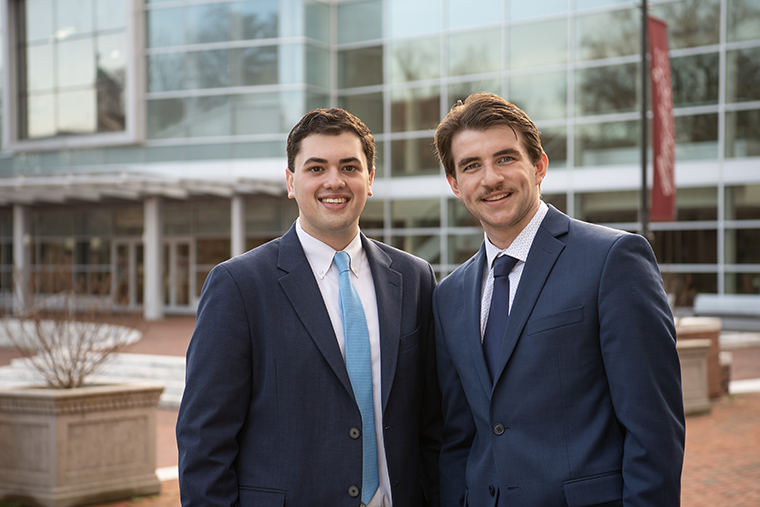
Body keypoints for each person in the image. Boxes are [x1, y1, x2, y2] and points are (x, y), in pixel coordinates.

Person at [176, 108, 441, 507]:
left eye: (349, 167)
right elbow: (204, 440)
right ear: (291, 182)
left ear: (369, 180)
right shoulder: (239, 285)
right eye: (316, 168)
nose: (334, 181)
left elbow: (432, 423)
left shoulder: (414, 277)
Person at [432, 93, 685, 507]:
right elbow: (458, 437)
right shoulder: (449, 295)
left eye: (506, 158)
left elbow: (653, 427)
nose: (490, 178)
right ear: (455, 184)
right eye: (471, 165)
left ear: (539, 165)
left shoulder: (612, 259)